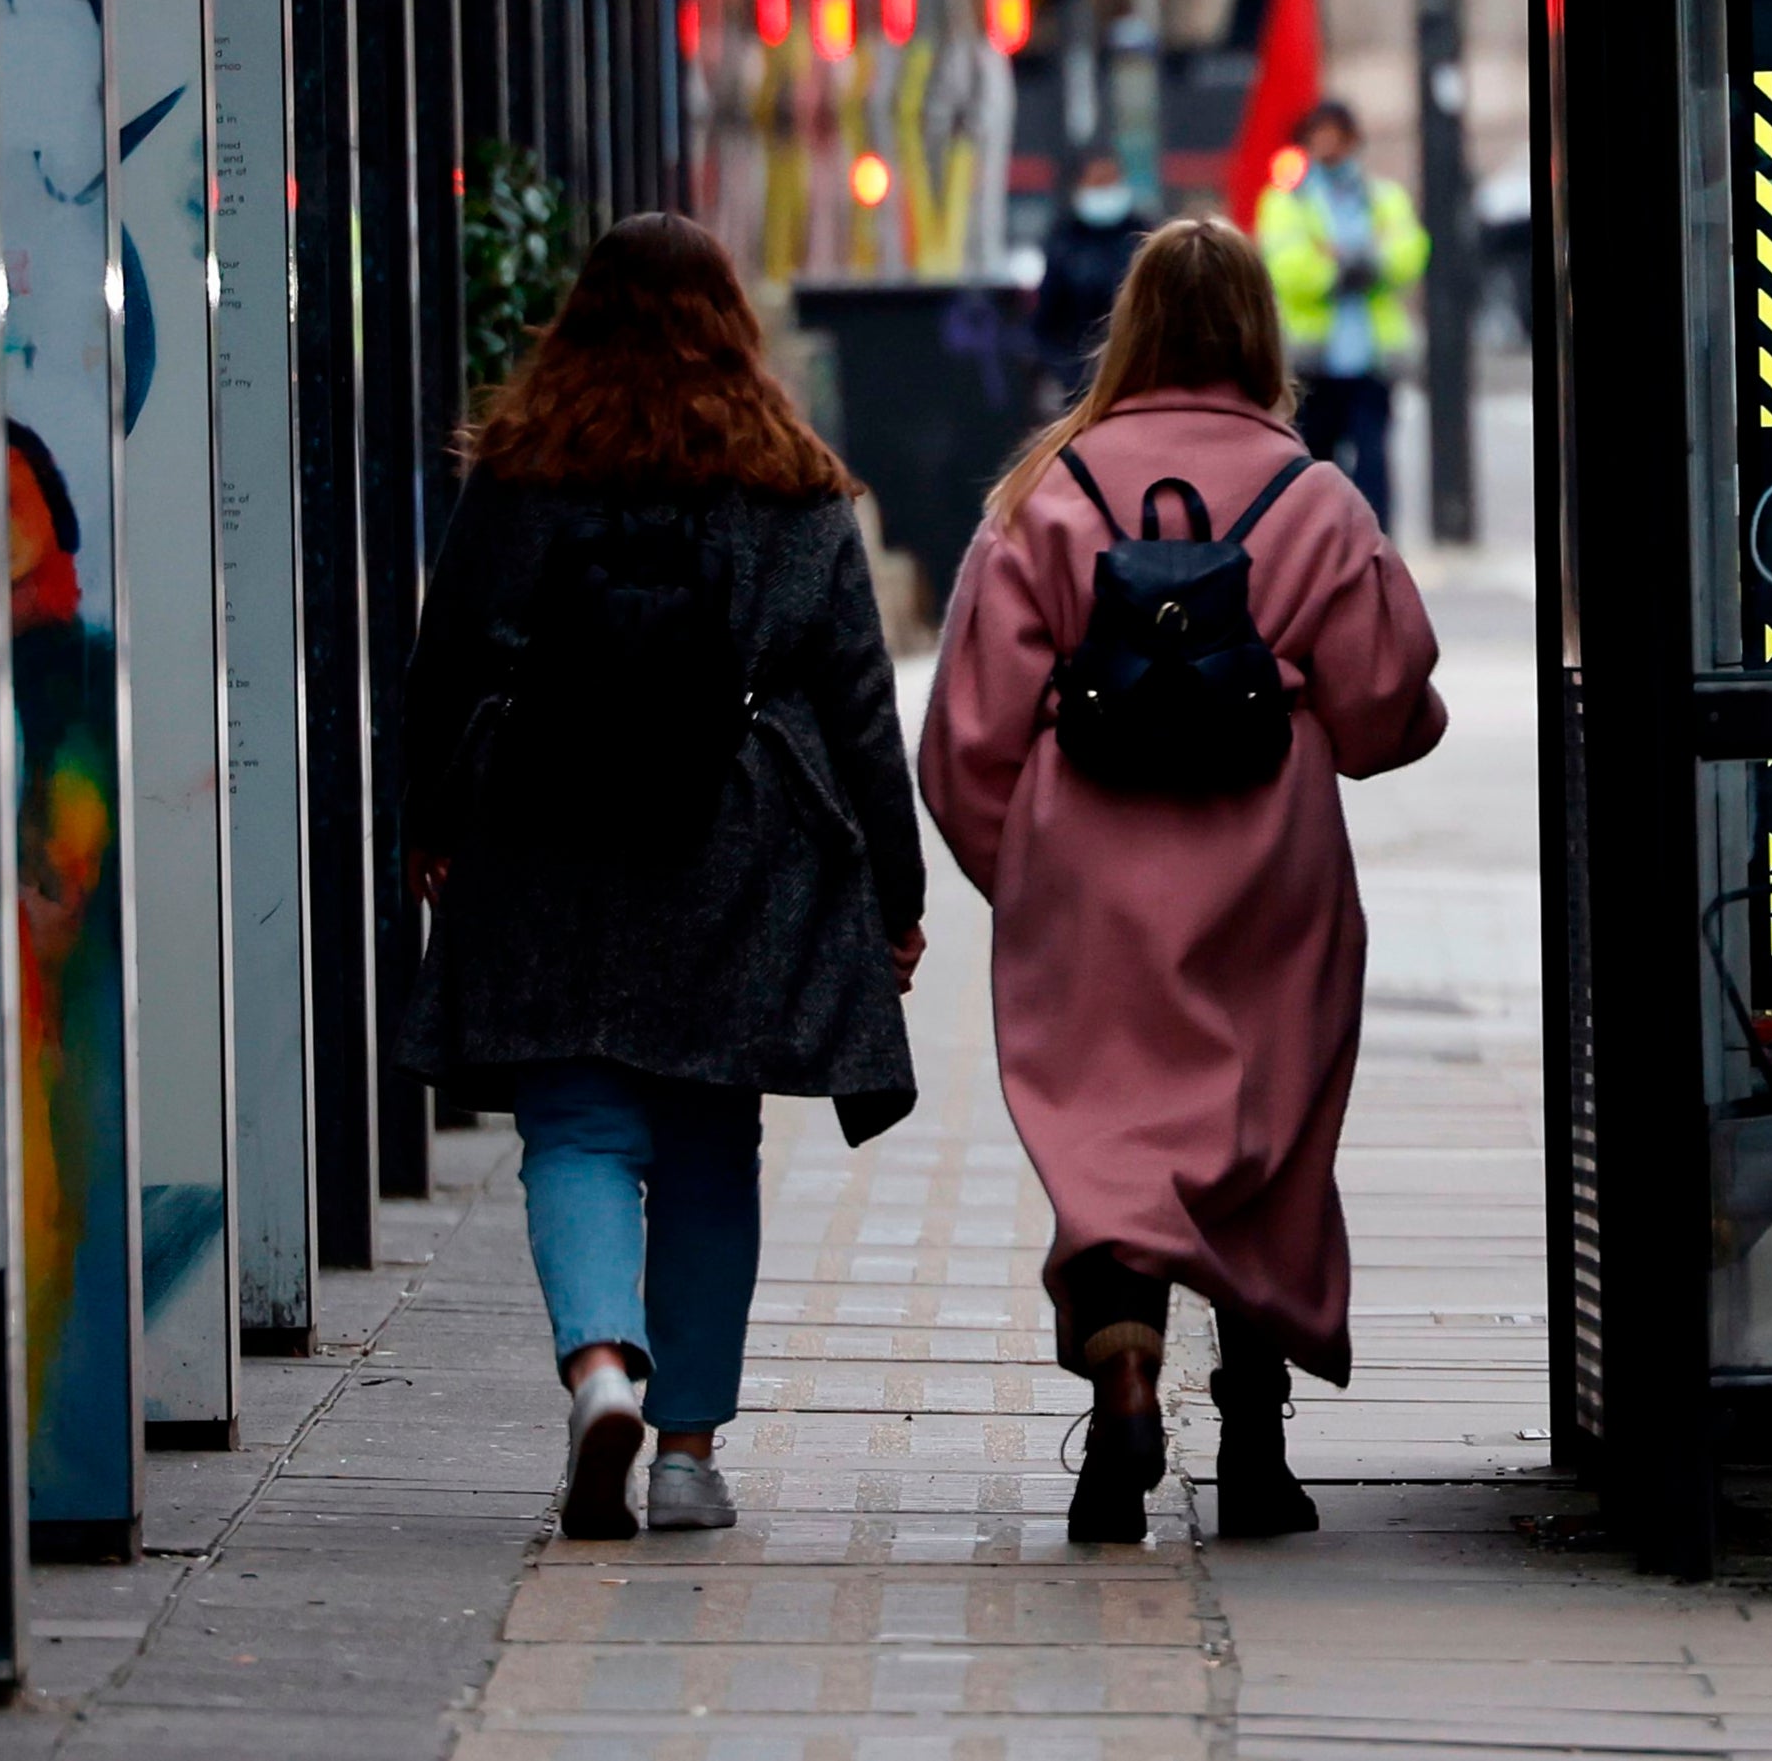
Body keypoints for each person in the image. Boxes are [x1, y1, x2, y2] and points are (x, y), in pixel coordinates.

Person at [397, 214, 928, 1541]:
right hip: (733, 837)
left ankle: (596, 1370)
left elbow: (447, 655)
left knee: (575, 1123)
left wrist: (428, 818)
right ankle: (685, 1451)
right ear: (730, 322)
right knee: (706, 1143)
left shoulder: (523, 469)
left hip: (543, 818)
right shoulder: (790, 479)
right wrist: (896, 892)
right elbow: (860, 701)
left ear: (579, 316)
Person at [923, 218, 1445, 1545]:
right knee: (1262, 1135)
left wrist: (1032, 871)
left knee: (1110, 1138)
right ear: (1261, 335)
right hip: (1270, 875)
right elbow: (1389, 708)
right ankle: (1257, 1448)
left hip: (1089, 877)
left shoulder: (1046, 494)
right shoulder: (1317, 500)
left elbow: (964, 741)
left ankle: (1122, 1387)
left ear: (1132, 328)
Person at [1251, 98, 1429, 523]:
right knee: (1314, 469)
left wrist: (1354, 261)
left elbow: (1410, 250)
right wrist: (1345, 269)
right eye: (1320, 135)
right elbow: (1284, 265)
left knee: (1373, 468)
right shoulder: (1285, 202)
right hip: (1313, 363)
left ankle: (1375, 551)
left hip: (1371, 359)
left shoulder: (1383, 196)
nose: (1329, 146)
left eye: (1337, 135)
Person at [1028, 148, 1152, 404]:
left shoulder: (1144, 236)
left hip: (1138, 381)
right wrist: (1067, 375)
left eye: (1111, 181)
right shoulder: (1064, 243)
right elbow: (1046, 323)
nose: (1106, 190)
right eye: (1097, 183)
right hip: (1078, 384)